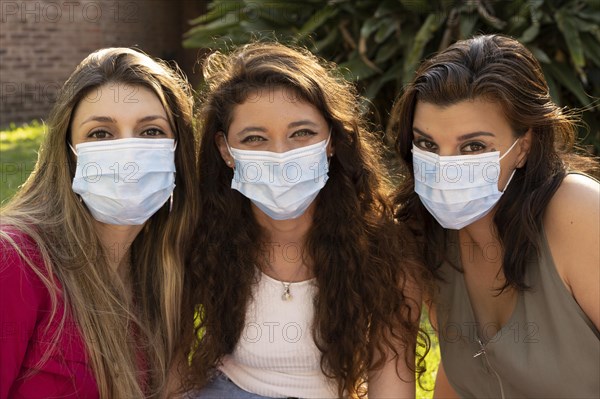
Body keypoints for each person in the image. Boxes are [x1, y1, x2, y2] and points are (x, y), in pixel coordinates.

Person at [176, 42, 427, 398]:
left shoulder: (385, 248)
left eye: (302, 133)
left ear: (331, 140)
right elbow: (170, 363)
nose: (282, 155)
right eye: (254, 138)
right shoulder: (199, 234)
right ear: (224, 149)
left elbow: (391, 374)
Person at [390, 34, 600, 398]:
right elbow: (467, 377)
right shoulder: (427, 235)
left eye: (473, 146)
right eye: (427, 144)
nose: (445, 168)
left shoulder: (578, 212)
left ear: (524, 147)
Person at [0, 48, 198, 398]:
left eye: (151, 131)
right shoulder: (15, 260)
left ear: (177, 152)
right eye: (100, 134)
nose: (129, 155)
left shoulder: (165, 278)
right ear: (69, 154)